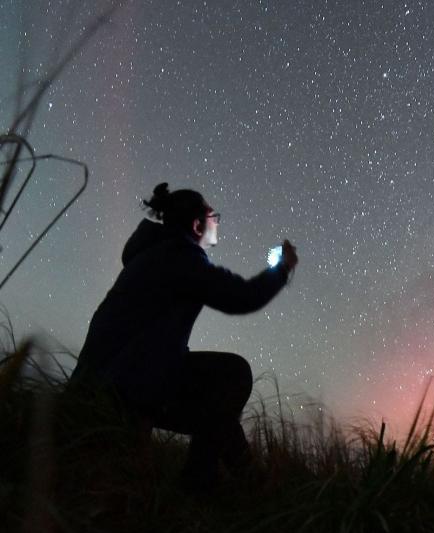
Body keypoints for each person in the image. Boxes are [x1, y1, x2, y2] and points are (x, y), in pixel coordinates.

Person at [70, 182, 299, 488]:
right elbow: (243, 296)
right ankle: (198, 485)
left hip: (103, 380)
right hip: (124, 386)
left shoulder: (152, 254)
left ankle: (252, 482)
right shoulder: (181, 258)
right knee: (233, 374)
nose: (217, 222)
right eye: (212, 216)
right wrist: (282, 269)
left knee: (216, 402)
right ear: (196, 224)